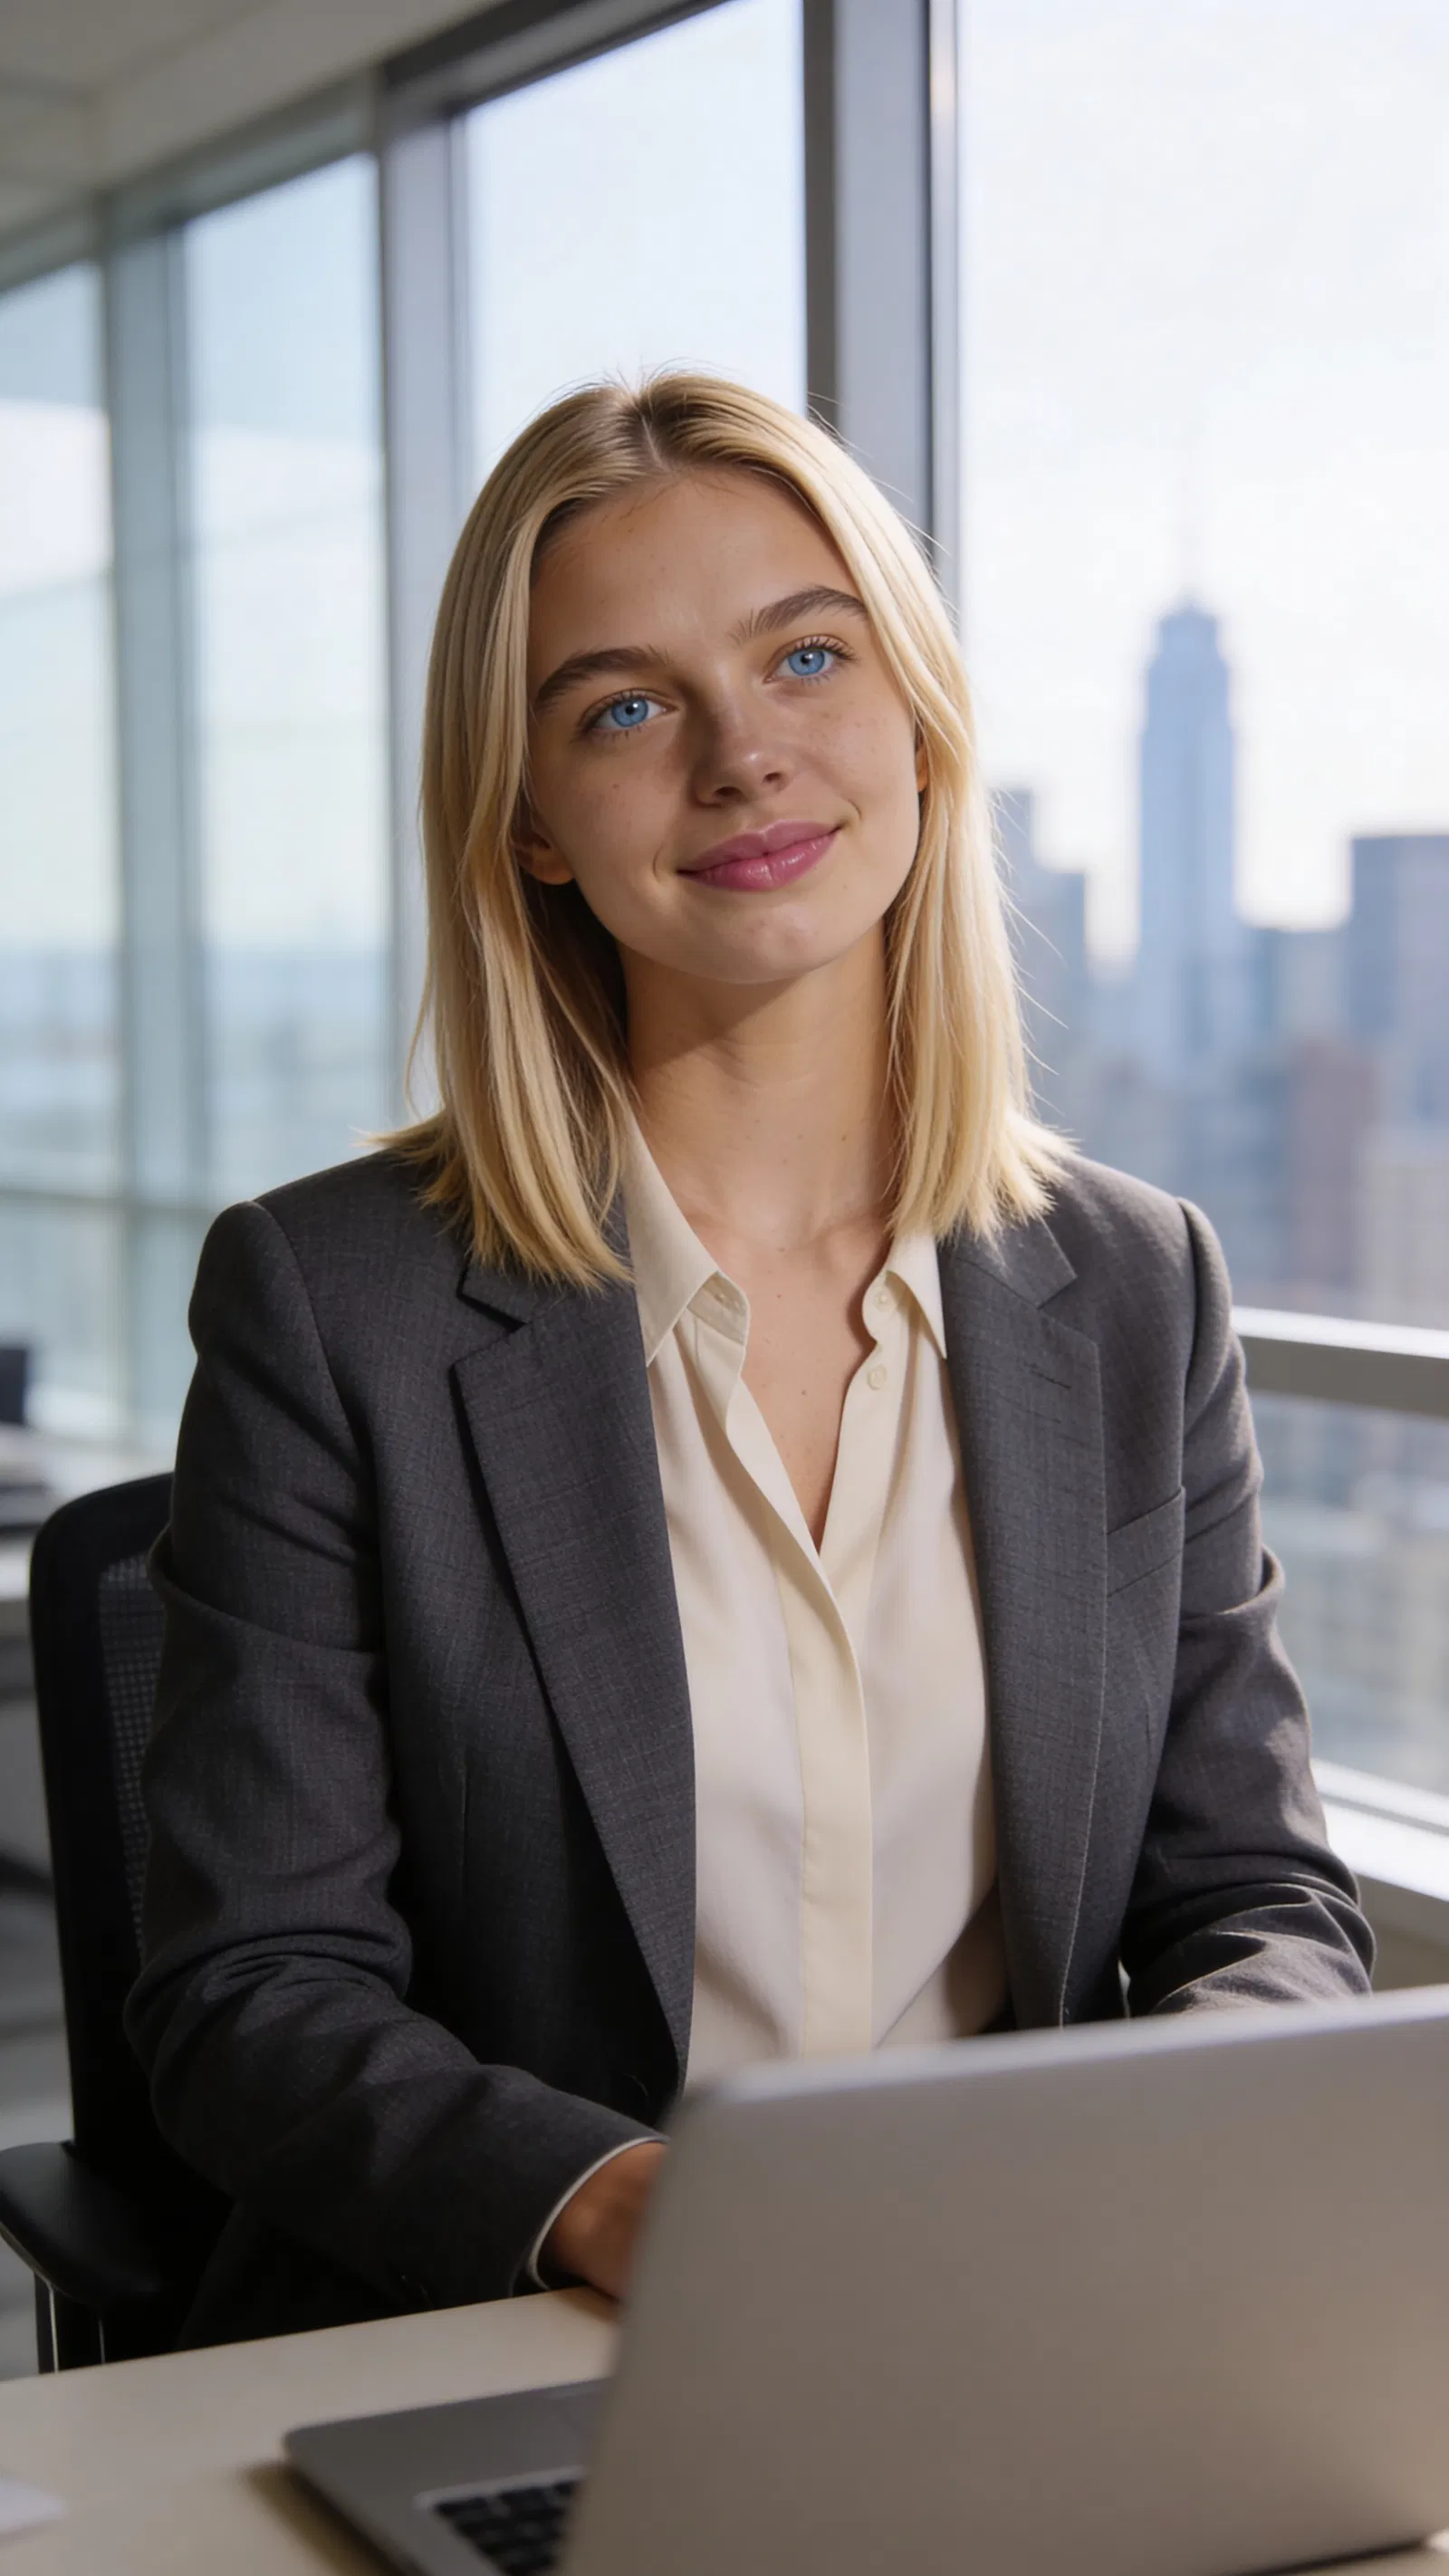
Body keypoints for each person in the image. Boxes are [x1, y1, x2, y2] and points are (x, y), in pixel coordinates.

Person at [127, 373, 1372, 2350]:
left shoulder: (1139, 1285)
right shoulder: (332, 1304)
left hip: (1023, 2321)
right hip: (533, 2339)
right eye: (623, 709)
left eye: (806, 657)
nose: (742, 757)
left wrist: (1142, 2165)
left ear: (919, 724)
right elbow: (252, 1990)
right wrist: (651, 2215)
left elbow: (1258, 1902)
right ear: (528, 823)